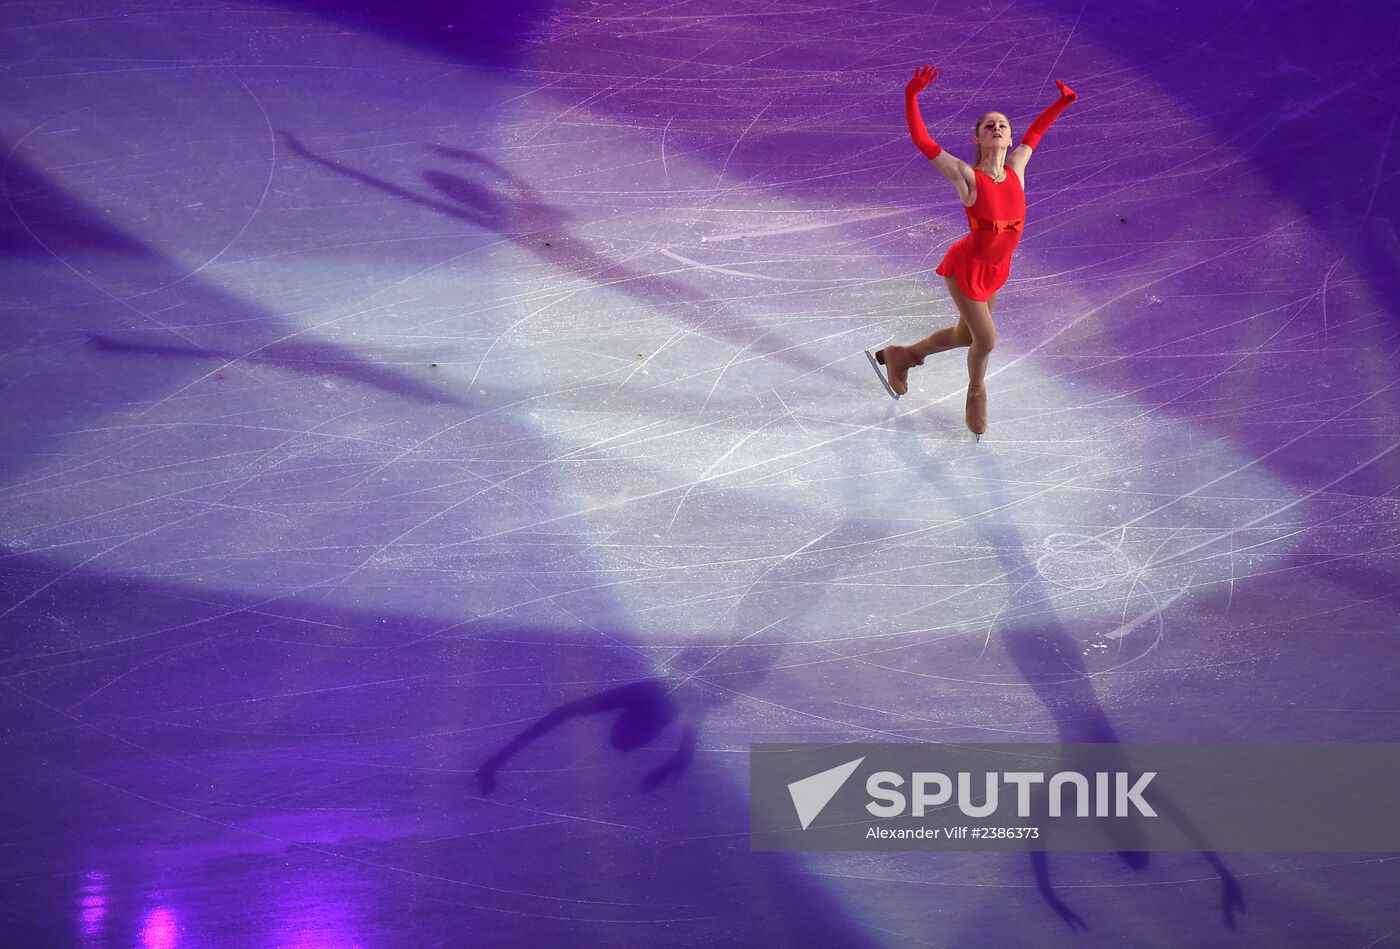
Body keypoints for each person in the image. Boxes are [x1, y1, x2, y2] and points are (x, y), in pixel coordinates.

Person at [866, 65, 1078, 438]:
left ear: (1010, 138)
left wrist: (1061, 102)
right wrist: (911, 95)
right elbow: (923, 141)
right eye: (988, 126)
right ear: (978, 139)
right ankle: (976, 391)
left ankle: (905, 355)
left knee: (966, 337)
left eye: (1002, 126)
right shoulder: (967, 176)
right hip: (966, 267)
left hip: (997, 269)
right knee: (987, 340)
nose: (996, 128)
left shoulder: (1017, 167)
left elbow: (1038, 132)